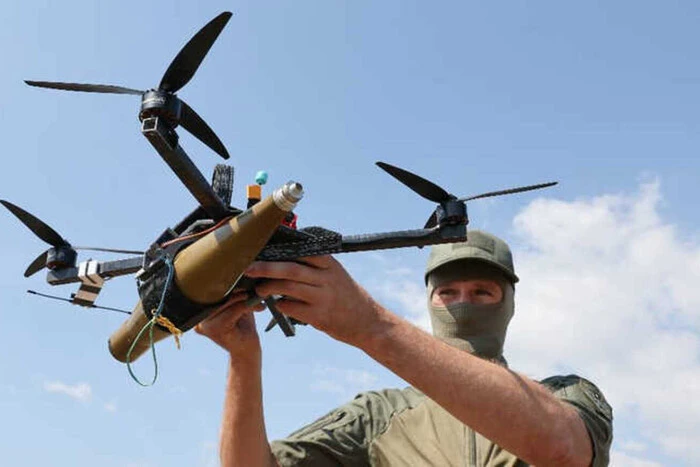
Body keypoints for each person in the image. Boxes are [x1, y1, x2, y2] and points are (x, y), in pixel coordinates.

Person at [196, 230, 613, 466]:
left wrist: (368, 325)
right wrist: (243, 358)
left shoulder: (565, 396)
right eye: (447, 292)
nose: (463, 303)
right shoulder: (380, 416)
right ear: (429, 303)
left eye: (482, 292)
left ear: (509, 304)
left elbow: (562, 449)